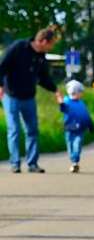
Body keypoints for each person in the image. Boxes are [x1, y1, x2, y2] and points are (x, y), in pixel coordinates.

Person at [0, 24, 60, 173]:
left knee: (32, 130)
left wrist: (55, 90)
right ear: (44, 42)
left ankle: (32, 164)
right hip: (11, 95)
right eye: (51, 44)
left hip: (28, 97)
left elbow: (43, 77)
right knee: (14, 130)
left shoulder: (40, 57)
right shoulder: (19, 47)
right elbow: (2, 65)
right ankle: (15, 163)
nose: (51, 48)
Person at [60, 80, 94, 173]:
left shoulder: (81, 103)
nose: (81, 94)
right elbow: (63, 108)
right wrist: (61, 103)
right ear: (74, 91)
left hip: (80, 128)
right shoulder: (66, 101)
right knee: (70, 145)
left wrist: (90, 125)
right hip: (69, 127)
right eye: (80, 92)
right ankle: (73, 161)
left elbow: (86, 115)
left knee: (77, 144)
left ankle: (75, 161)